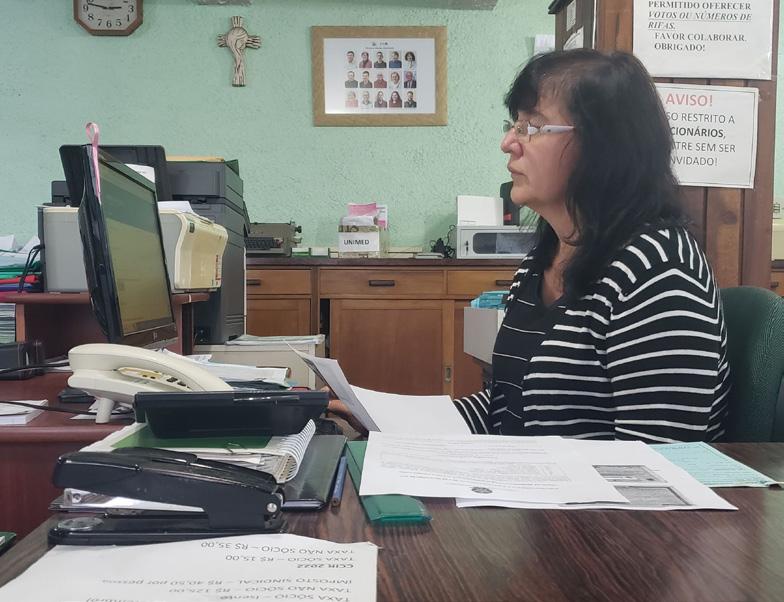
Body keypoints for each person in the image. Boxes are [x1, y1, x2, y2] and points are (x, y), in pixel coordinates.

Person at [328, 49, 731, 444]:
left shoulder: (658, 272)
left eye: (531, 127)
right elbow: (505, 409)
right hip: (532, 484)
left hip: (591, 492)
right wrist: (381, 418)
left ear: (603, 145)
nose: (508, 142)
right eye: (514, 124)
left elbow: (658, 464)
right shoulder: (545, 258)